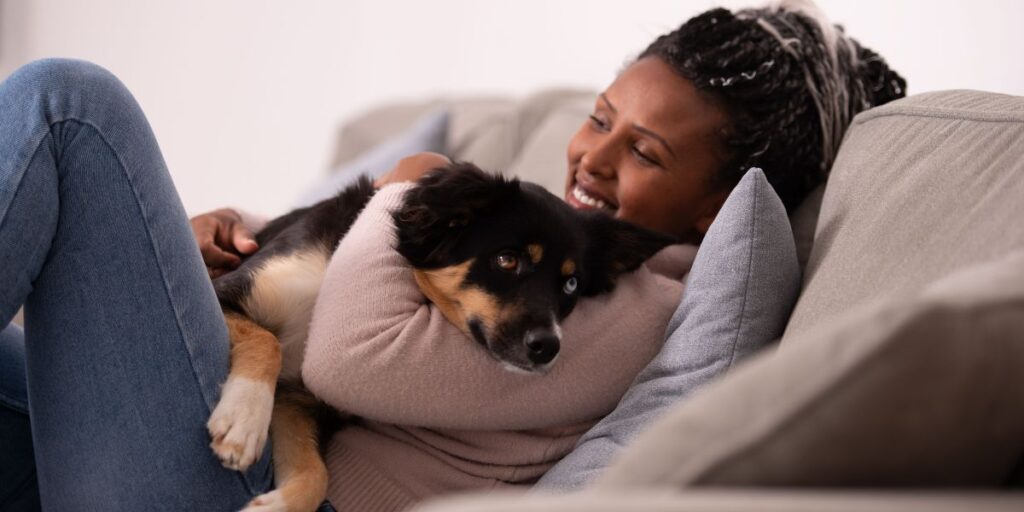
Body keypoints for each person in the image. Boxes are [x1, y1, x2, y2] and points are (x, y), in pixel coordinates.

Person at [0, 2, 904, 511]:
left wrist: (408, 181)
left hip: (249, 484)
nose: (591, 156)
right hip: (233, 440)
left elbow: (352, 355)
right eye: (600, 117)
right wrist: (234, 241)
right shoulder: (555, 239)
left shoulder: (626, 304)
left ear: (719, 203)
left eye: (646, 152)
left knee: (71, 106)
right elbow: (395, 275)